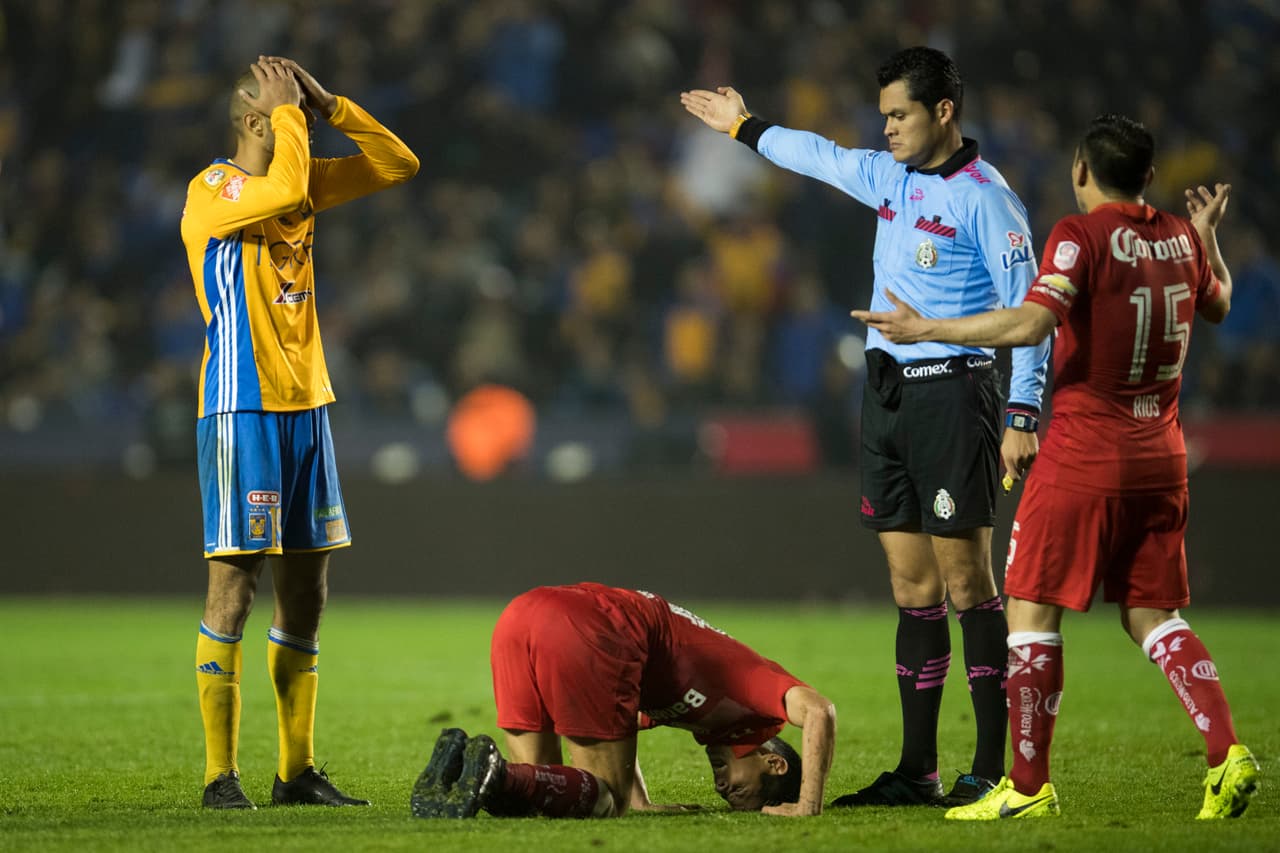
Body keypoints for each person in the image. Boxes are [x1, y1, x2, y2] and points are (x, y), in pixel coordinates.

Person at [852, 114, 1260, 820]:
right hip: (1161, 454)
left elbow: (1033, 322)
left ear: (1080, 171)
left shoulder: (1079, 236)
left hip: (1083, 454)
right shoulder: (1178, 239)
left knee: (1030, 612)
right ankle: (1226, 751)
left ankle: (1028, 783)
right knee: (1156, 617)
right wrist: (1210, 236)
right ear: (1150, 178)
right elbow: (1218, 303)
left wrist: (931, 329)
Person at [680, 46, 1050, 807]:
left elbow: (1034, 317)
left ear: (943, 112)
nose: (886, 129)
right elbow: (816, 155)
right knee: (912, 585)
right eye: (883, 114)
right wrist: (743, 126)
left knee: (966, 581)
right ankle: (920, 769)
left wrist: (1021, 411)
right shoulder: (888, 177)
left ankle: (991, 766)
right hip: (885, 397)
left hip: (955, 391)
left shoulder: (988, 199)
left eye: (900, 114)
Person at [181, 56, 419, 809]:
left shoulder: (300, 174)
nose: (299, 126)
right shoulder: (213, 191)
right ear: (254, 121)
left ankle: (296, 772)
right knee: (235, 586)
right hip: (240, 406)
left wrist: (332, 102)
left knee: (307, 592)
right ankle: (221, 776)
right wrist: (291, 116)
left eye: (301, 118)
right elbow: (279, 188)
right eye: (284, 114)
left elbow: (396, 162)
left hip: (306, 406)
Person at [409, 583, 837, 819]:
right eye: (741, 789)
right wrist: (808, 805)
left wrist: (642, 800)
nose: (723, 788)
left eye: (727, 796)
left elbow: (619, 716)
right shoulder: (754, 698)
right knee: (604, 804)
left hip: (522, 614)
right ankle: (491, 770)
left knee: (536, 795)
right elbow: (820, 710)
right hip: (589, 630)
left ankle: (468, 775)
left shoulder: (707, 719)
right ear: (773, 762)